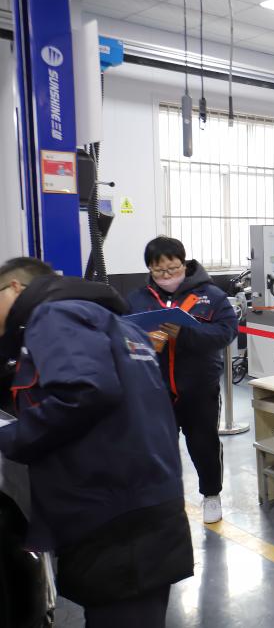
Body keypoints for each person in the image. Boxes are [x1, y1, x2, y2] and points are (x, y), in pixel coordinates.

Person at [0, 257, 193, 627]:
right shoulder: (120, 326)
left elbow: (84, 391)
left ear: (15, 288)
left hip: (111, 520)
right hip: (149, 508)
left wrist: (9, 438)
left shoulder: (52, 315)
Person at [127, 237, 238, 524]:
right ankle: (163, 497)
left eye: (172, 268)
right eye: (158, 270)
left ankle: (211, 494)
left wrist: (185, 333)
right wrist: (142, 340)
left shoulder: (211, 296)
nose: (166, 275)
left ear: (184, 264)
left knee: (203, 444)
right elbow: (122, 335)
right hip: (155, 389)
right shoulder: (137, 299)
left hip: (199, 387)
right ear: (149, 269)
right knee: (158, 446)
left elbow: (226, 333)